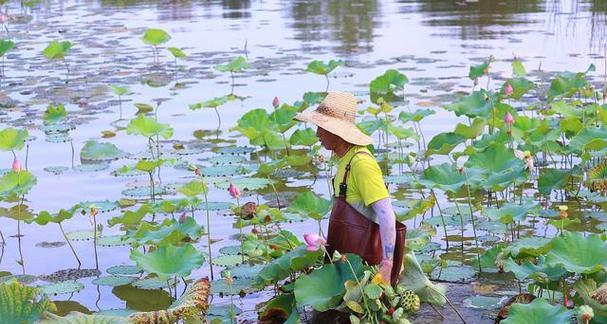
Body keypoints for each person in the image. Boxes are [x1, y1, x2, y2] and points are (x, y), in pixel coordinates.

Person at [295, 91, 403, 283]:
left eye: (322, 127)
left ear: (338, 132)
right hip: (349, 265)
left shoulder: (362, 163)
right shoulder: (346, 161)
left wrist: (387, 264)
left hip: (367, 268)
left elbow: (386, 213)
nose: (317, 133)